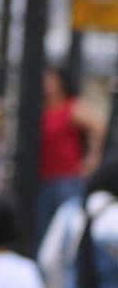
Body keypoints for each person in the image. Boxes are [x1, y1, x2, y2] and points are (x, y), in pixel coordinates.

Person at [37, 68, 105, 244]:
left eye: (51, 79)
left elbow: (98, 126)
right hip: (44, 178)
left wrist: (92, 159)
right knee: (44, 231)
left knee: (68, 229)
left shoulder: (71, 107)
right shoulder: (41, 109)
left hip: (67, 179)